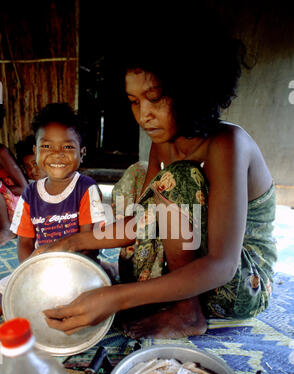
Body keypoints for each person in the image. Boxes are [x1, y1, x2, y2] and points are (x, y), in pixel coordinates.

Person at [34, 31, 277, 339]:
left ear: (192, 90)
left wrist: (117, 297)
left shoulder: (229, 144)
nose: (143, 115)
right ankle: (171, 298)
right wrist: (71, 242)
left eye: (155, 98)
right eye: (134, 102)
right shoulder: (162, 144)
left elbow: (223, 265)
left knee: (180, 178)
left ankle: (189, 312)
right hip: (198, 266)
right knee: (140, 192)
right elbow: (143, 221)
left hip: (238, 281)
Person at [10, 102, 105, 263]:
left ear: (82, 153)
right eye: (47, 146)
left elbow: (88, 242)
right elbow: (25, 242)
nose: (57, 154)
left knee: (100, 285)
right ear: (36, 151)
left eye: (67, 147)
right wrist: (28, 272)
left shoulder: (86, 189)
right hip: (43, 267)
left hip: (79, 266)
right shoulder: (29, 194)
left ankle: (108, 269)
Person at [0, 144, 28, 246]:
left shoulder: (1, 152)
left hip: (15, 207)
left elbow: (24, 189)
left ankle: (7, 229)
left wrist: (2, 188)